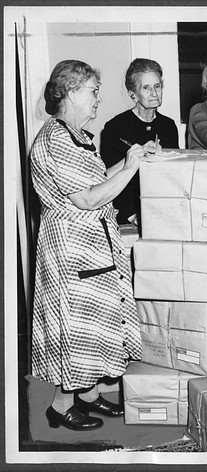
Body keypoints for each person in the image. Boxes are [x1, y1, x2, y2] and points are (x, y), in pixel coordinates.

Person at [30, 60, 145, 430]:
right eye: (93, 91)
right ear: (71, 92)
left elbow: (95, 182)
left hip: (90, 244)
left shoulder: (76, 135)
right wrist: (130, 168)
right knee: (75, 325)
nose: (98, 99)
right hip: (71, 248)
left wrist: (130, 160)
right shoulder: (56, 139)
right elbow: (88, 199)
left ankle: (89, 396)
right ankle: (61, 406)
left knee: (94, 323)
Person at [100, 58, 179, 226]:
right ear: (132, 94)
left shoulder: (168, 126)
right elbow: (107, 179)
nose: (154, 93)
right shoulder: (115, 127)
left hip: (162, 210)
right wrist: (131, 215)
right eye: (146, 88)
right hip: (125, 214)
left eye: (157, 86)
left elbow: (173, 175)